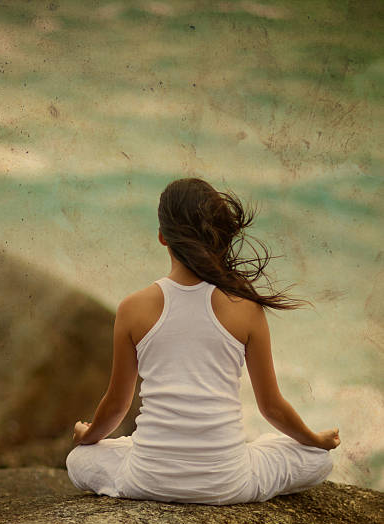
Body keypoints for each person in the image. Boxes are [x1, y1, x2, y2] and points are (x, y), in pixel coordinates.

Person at [66, 178, 341, 505]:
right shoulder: (246, 309)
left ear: (162, 237)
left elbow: (117, 406)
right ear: (218, 237)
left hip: (147, 479)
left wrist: (89, 435)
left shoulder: (132, 308)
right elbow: (272, 407)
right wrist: (314, 439)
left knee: (78, 460)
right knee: (318, 459)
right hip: (228, 484)